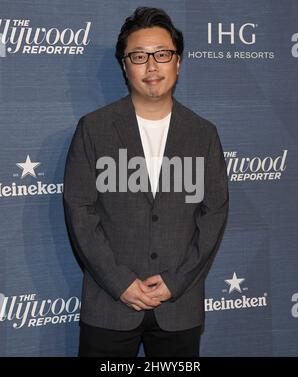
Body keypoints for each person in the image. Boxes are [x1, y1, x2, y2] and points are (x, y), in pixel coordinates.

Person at [63, 6, 229, 357]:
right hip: (109, 305)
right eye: (138, 56)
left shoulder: (203, 134)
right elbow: (80, 212)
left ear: (178, 62)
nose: (152, 66)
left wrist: (176, 282)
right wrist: (119, 282)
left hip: (179, 307)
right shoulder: (94, 129)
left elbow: (214, 214)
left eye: (162, 54)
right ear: (124, 66)